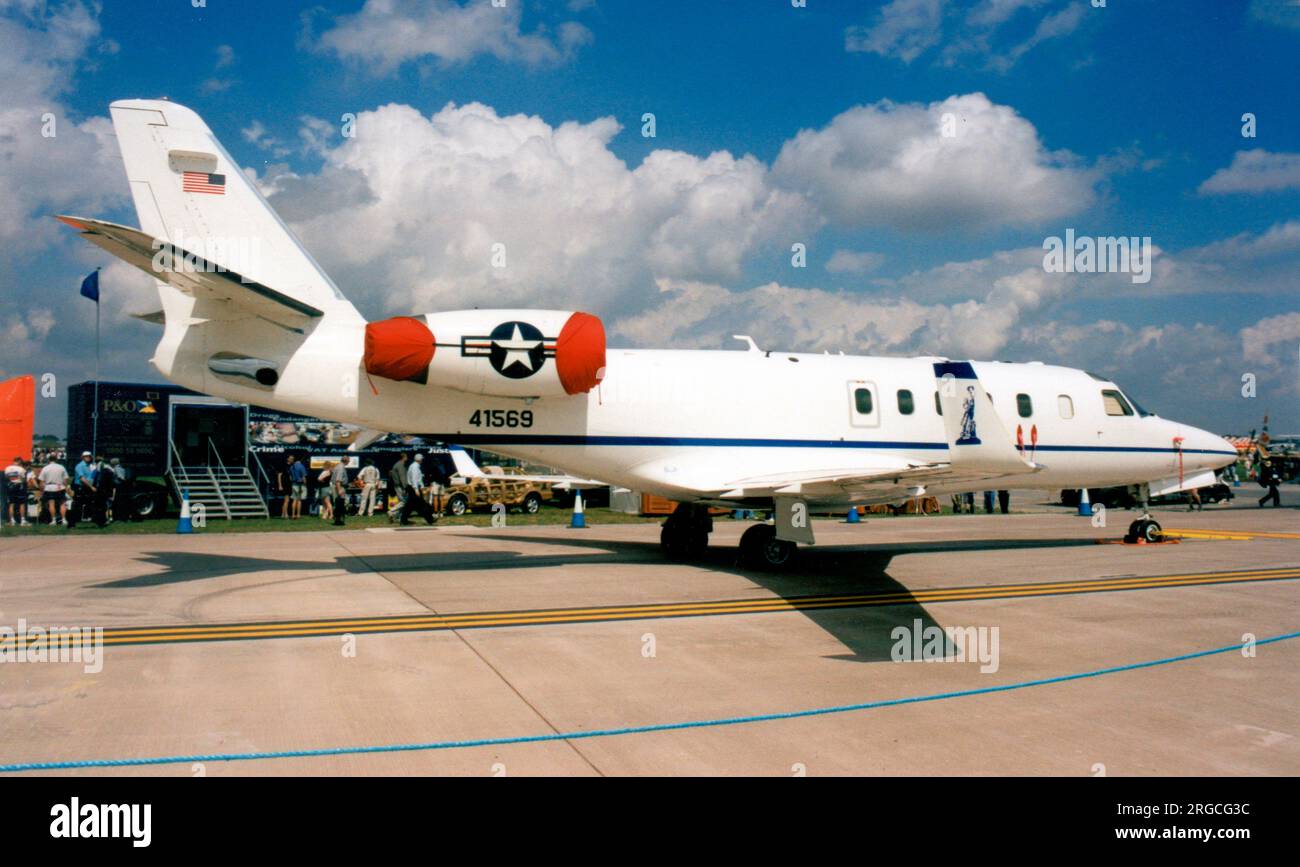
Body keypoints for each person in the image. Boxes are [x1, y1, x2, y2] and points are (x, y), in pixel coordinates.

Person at [399, 453, 437, 525]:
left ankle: (403, 520)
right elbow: (414, 479)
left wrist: (422, 487)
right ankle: (430, 520)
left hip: (412, 488)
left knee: (410, 506)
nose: (422, 460)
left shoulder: (415, 466)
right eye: (422, 459)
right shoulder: (415, 467)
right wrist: (416, 489)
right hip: (414, 488)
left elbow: (418, 479)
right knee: (421, 505)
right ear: (420, 459)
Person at [38, 455, 69, 526]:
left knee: (51, 504)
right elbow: (66, 479)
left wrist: (41, 490)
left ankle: (53, 520)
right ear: (56, 459)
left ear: (49, 460)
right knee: (62, 504)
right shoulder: (61, 467)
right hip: (59, 487)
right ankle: (64, 520)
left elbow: (41, 481)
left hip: (49, 487)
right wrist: (65, 486)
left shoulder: (45, 468)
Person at [5, 457, 27, 526]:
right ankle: (23, 521)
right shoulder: (21, 469)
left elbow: (6, 477)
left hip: (10, 486)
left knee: (11, 504)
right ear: (19, 461)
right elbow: (23, 479)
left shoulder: (7, 468)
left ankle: (12, 520)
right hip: (19, 486)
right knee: (22, 503)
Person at [388, 453, 409, 523]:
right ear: (404, 457)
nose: (407, 458)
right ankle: (392, 511)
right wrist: (405, 487)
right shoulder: (400, 465)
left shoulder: (397, 464)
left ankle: (398, 516)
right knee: (404, 502)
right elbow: (402, 477)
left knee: (402, 502)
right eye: (406, 456)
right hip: (400, 486)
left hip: (397, 485)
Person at [329, 459, 349, 526]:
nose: (348, 462)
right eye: (348, 461)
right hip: (339, 486)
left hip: (336, 486)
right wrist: (339, 489)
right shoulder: (341, 467)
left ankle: (337, 519)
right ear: (346, 461)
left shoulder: (337, 466)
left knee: (337, 504)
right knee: (340, 504)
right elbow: (338, 480)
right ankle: (338, 520)